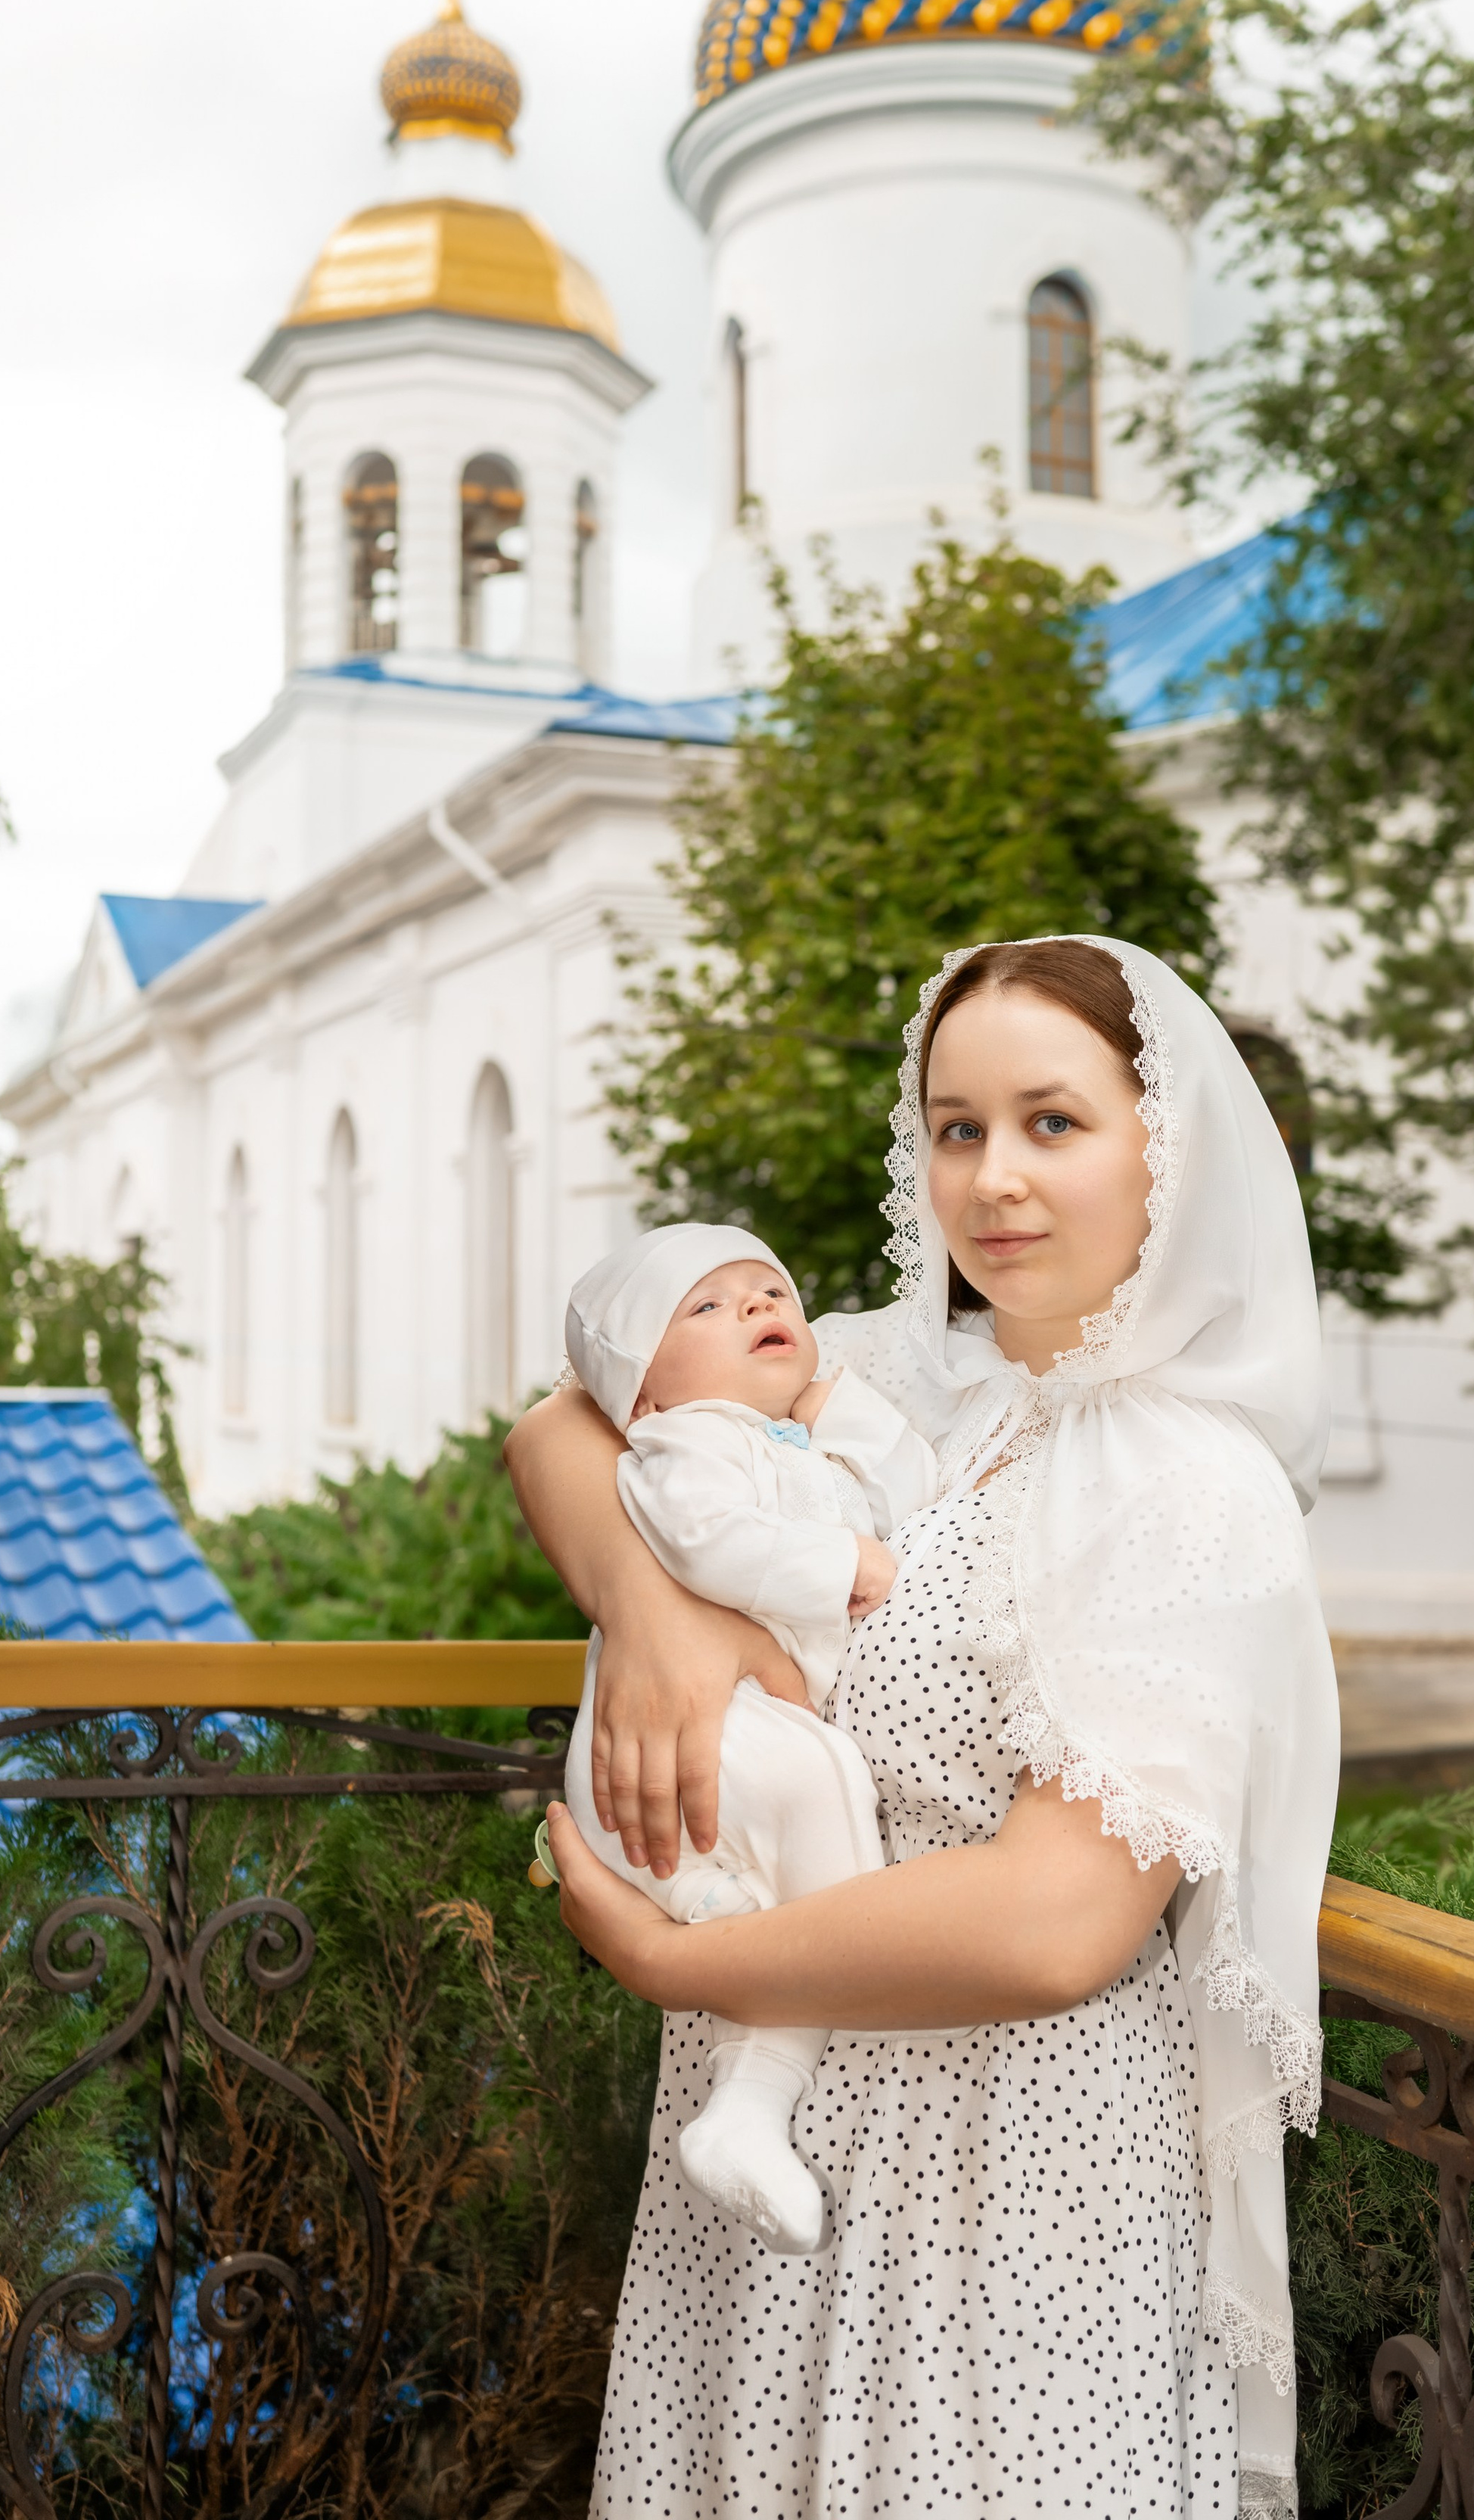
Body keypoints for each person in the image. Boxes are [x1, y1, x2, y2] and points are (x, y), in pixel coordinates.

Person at [506, 935, 1341, 2520]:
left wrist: (679, 1965)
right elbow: (563, 1420)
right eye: (957, 1127)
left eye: (1051, 1122)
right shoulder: (899, 1371)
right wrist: (655, 1609)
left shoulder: (1187, 1482)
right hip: (776, 2144)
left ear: (1163, 1150)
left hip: (1007, 2177)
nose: (993, 1179)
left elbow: (1057, 1921)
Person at [549, 1221, 937, 2254]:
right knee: (824, 1801)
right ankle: (764, 2026)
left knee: (810, 1839)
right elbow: (708, 1542)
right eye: (709, 1307)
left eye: (769, 1291)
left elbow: (917, 1488)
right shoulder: (687, 1442)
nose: (758, 1307)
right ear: (642, 1396)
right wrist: (849, 1565)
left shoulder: (796, 1441)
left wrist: (834, 1405)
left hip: (739, 1742)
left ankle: (746, 2098)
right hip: (698, 1742)